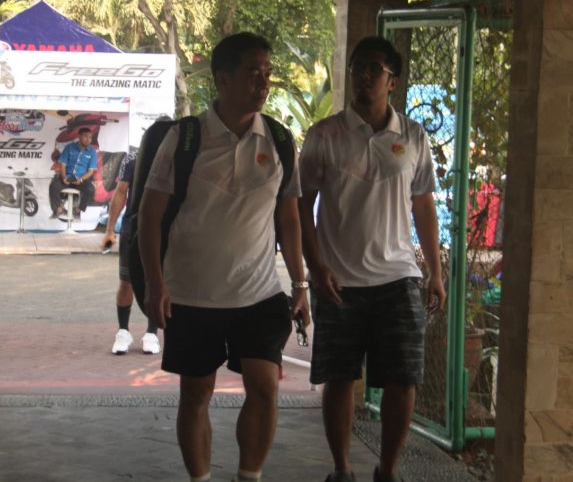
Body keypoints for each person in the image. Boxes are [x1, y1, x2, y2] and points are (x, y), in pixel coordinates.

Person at [138, 32, 311, 482]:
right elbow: (149, 217)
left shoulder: (277, 139)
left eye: (267, 73)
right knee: (197, 394)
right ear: (222, 79)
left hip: (259, 292)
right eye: (253, 73)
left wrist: (300, 284)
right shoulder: (185, 139)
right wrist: (156, 284)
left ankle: (248, 476)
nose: (264, 82)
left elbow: (289, 219)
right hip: (192, 295)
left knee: (264, 387)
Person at [299, 36, 446, 482]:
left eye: (374, 69)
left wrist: (435, 272)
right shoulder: (324, 135)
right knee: (340, 377)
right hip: (338, 279)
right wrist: (315, 267)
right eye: (358, 66)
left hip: (398, 277)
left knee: (404, 377)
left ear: (392, 81)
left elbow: (423, 206)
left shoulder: (414, 136)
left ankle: (388, 470)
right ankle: (342, 469)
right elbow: (301, 207)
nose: (364, 75)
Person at [102, 148, 161, 354]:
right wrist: (110, 230)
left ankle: (152, 333)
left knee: (154, 281)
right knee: (126, 282)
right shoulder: (133, 159)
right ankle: (123, 331)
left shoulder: (171, 157)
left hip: (161, 230)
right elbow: (120, 192)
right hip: (132, 228)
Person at [49, 126, 97, 219]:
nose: (88, 139)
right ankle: (59, 210)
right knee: (54, 186)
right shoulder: (69, 147)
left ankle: (78, 210)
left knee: (90, 189)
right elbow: (63, 164)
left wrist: (81, 179)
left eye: (90, 137)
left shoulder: (92, 152)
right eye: (85, 136)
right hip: (68, 176)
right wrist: (64, 177)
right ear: (79, 136)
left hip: (82, 179)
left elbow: (91, 171)